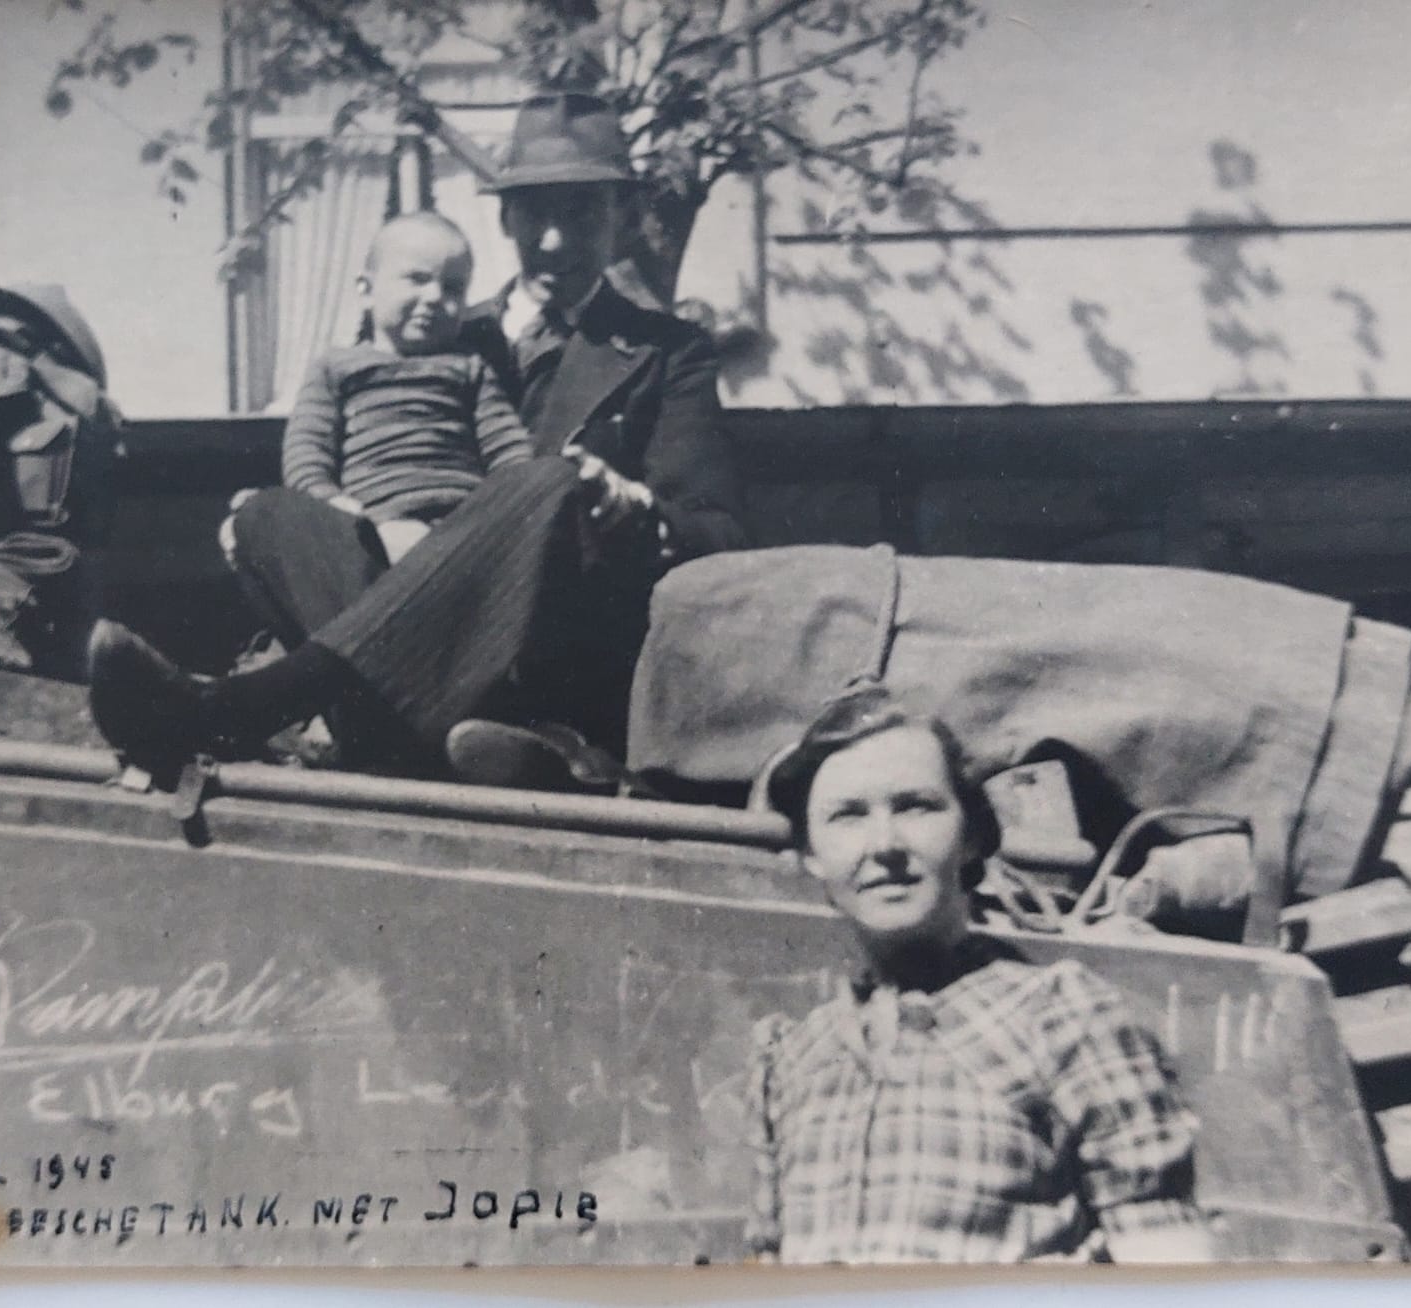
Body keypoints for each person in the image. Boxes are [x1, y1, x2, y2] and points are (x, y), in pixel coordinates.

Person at [88, 91, 747, 782]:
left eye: (581, 210)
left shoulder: (669, 351)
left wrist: (632, 506)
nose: (555, 239)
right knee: (268, 514)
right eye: (536, 212)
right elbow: (344, 442)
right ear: (505, 217)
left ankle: (241, 708)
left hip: (545, 646)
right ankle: (446, 741)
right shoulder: (434, 326)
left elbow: (719, 531)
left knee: (547, 480)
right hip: (405, 593)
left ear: (623, 216)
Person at [747, 683, 1212, 1264]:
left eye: (916, 806)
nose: (884, 844)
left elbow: (1166, 1257)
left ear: (971, 836)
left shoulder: (1061, 1014)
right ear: (810, 853)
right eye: (848, 815)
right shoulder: (791, 1060)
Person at [274, 211, 532, 566]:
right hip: (370, 525)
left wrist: (506, 505)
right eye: (417, 279)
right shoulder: (335, 367)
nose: (434, 296)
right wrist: (336, 507)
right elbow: (306, 454)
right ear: (366, 289)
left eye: (453, 287)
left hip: (464, 524)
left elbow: (507, 449)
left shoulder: (470, 368)